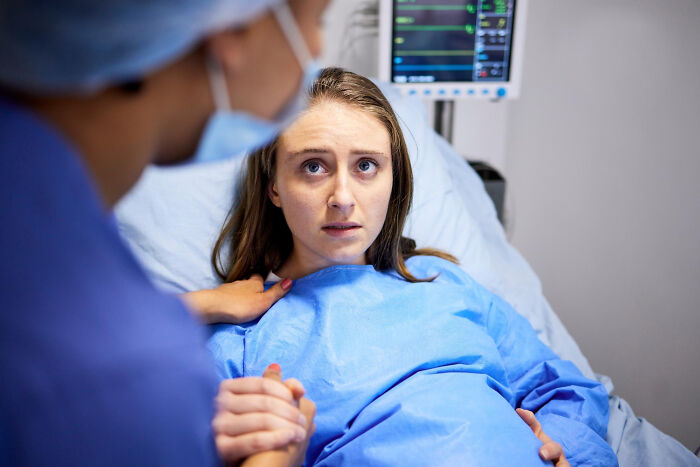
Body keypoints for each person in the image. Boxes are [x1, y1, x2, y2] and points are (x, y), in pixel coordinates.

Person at [205, 68, 619, 466]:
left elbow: (565, 388)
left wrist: (564, 448)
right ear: (274, 186)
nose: (343, 197)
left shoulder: (442, 281)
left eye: (366, 165)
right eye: (314, 166)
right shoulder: (242, 342)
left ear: (393, 179)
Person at [0, 0, 329, 464]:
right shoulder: (129, 371)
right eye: (318, 20)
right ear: (232, 30)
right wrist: (276, 457)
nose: (317, 49)